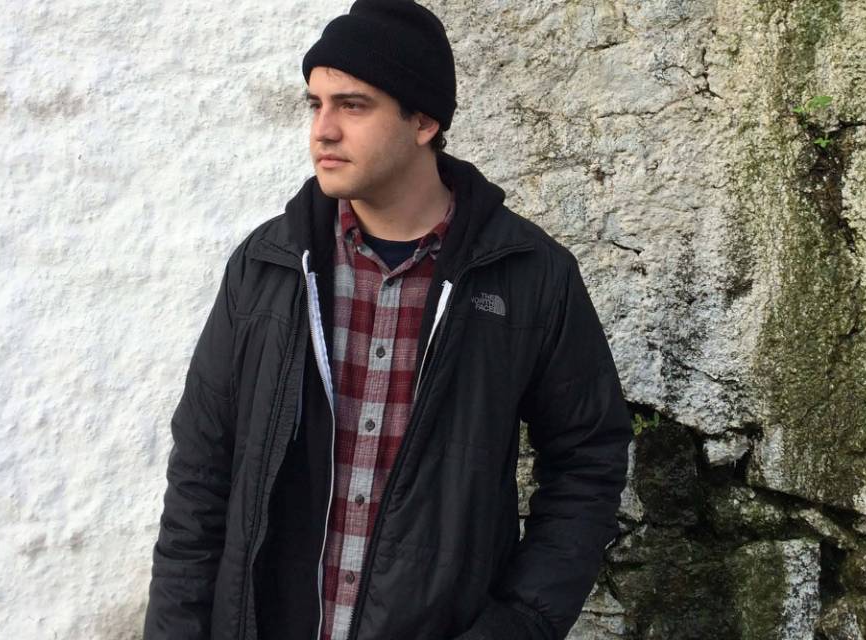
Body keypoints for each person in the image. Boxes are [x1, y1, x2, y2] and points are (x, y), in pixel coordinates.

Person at [143, 1, 632, 639]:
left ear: (423, 120)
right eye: (315, 104)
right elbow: (200, 473)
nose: (323, 131)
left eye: (353, 105)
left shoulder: (527, 275)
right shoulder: (268, 266)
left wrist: (518, 625)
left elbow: (587, 462)